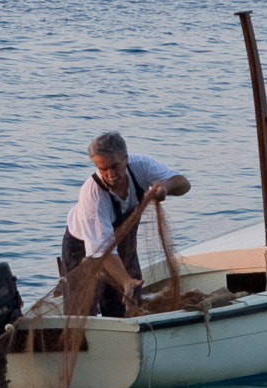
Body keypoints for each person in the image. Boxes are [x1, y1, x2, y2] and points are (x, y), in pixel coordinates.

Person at [59, 131, 191, 317]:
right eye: (103, 169)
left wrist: (165, 188)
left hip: (123, 243)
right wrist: (126, 281)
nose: (111, 175)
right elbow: (102, 253)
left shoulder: (141, 166)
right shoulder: (92, 195)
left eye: (115, 166)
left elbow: (184, 183)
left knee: (126, 304)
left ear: (125, 159)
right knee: (81, 308)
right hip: (84, 248)